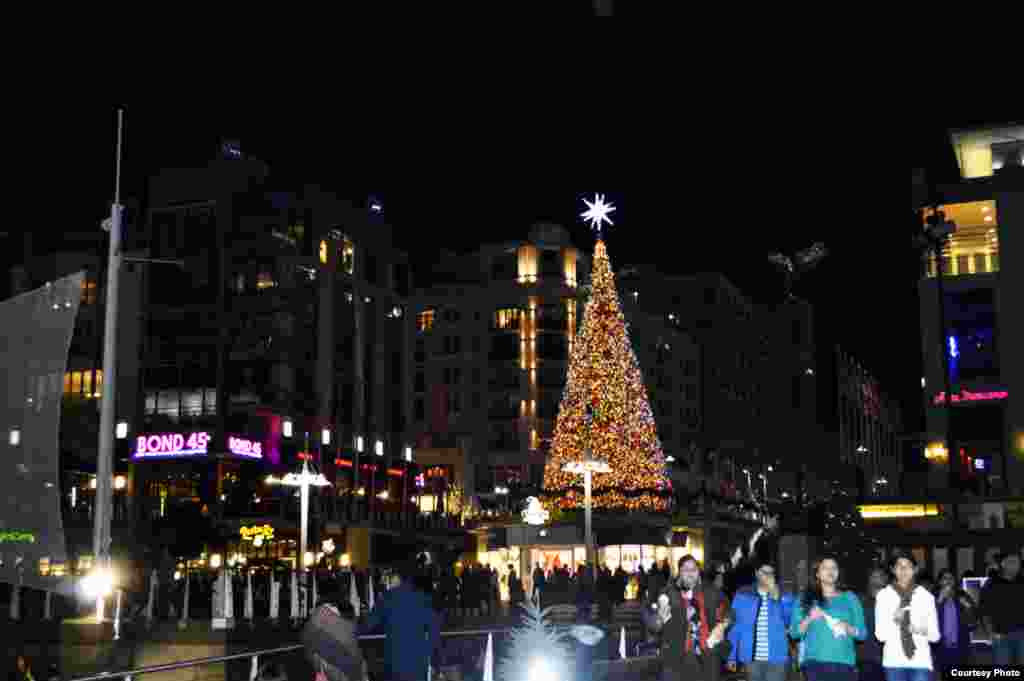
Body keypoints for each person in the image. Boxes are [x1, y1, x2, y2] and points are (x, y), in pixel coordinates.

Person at [642, 554, 734, 681]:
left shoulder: (710, 592)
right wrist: (659, 619)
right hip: (677, 660)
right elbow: (652, 625)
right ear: (679, 573)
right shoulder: (667, 594)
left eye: (694, 569)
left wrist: (722, 626)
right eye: (686, 569)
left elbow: (729, 612)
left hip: (707, 658)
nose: (690, 573)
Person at [361, 560, 441, 681]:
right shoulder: (423, 598)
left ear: (396, 578)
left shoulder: (387, 598)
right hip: (418, 664)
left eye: (388, 577)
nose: (386, 581)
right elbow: (434, 629)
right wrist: (429, 655)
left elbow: (368, 625)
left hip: (394, 663)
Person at [790, 555, 866, 681]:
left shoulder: (850, 598)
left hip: (845, 663)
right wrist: (809, 618)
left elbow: (862, 634)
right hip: (815, 663)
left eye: (834, 567)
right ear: (817, 573)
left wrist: (849, 628)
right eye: (825, 568)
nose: (830, 571)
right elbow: (794, 633)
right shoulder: (804, 598)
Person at [874, 552, 939, 681]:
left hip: (921, 662)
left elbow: (935, 637)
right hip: (894, 662)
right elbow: (880, 636)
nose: (903, 570)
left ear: (915, 570)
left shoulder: (926, 597)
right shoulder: (884, 596)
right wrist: (894, 620)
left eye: (908, 566)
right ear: (893, 570)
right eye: (899, 566)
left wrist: (920, 630)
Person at [726, 561, 795, 681]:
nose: (768, 575)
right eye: (765, 572)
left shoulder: (785, 594)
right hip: (751, 659)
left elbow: (790, 621)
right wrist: (731, 656)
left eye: (771, 573)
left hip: (776, 659)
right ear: (757, 573)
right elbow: (736, 627)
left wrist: (779, 599)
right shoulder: (743, 594)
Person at [979, 551, 1024, 665]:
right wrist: (990, 633)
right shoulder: (991, 584)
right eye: (1013, 562)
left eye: (1018, 562)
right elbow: (984, 611)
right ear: (1003, 564)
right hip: (1001, 635)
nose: (1016, 565)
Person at [934, 568, 974, 674]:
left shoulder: (962, 596)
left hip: (960, 646)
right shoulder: (933, 597)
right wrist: (939, 601)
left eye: (951, 578)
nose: (948, 581)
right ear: (939, 582)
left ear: (955, 581)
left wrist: (968, 607)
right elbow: (928, 621)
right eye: (944, 578)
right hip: (942, 647)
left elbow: (973, 622)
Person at [859, 566, 889, 681]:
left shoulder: (892, 600)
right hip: (867, 658)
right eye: (873, 577)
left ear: (885, 580)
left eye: (879, 577)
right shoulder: (861, 601)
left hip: (888, 658)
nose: (876, 580)